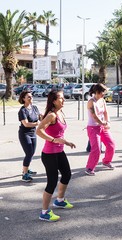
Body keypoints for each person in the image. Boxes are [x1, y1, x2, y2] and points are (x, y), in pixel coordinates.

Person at [36, 90, 76, 222]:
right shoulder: (52, 115)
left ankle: (59, 201)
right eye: (61, 98)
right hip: (49, 154)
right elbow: (39, 130)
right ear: (53, 101)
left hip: (59, 151)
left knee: (67, 174)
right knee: (52, 182)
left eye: (63, 98)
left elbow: (58, 133)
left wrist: (66, 142)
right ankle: (44, 212)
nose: (63, 100)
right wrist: (53, 140)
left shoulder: (60, 113)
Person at [85, 83, 115, 176]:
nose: (104, 95)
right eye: (103, 92)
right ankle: (89, 168)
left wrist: (107, 122)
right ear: (97, 92)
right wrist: (102, 123)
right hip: (93, 128)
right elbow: (95, 116)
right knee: (96, 149)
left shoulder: (102, 100)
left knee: (111, 145)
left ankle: (106, 161)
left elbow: (106, 112)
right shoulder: (91, 102)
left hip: (102, 127)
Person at [18, 90, 41, 182]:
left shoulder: (34, 107)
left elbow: (40, 116)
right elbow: (26, 124)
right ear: (24, 99)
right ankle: (24, 174)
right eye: (29, 97)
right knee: (29, 153)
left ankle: (26, 169)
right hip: (24, 134)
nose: (31, 98)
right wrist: (37, 124)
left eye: (31, 96)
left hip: (33, 133)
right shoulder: (22, 110)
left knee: (32, 153)